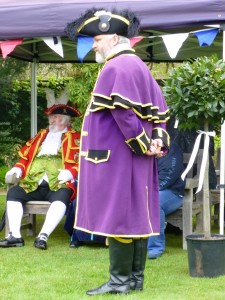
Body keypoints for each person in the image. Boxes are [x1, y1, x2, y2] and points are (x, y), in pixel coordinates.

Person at [65, 8, 170, 295]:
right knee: (135, 214)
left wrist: (143, 144)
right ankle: (134, 280)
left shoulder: (115, 67)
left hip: (119, 158)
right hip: (134, 157)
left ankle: (120, 282)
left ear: (113, 37)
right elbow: (159, 113)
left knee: (119, 217)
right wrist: (155, 142)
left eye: (97, 39)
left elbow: (124, 113)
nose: (95, 45)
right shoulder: (138, 66)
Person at [0, 88, 81, 250]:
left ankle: (43, 236)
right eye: (51, 116)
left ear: (65, 121)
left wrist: (71, 173)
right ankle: (15, 235)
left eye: (56, 117)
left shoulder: (77, 138)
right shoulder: (40, 136)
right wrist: (18, 168)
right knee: (14, 192)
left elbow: (84, 162)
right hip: (33, 182)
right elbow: (26, 157)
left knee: (63, 195)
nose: (51, 120)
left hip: (58, 183)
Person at [147, 140, 185, 259]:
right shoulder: (140, 145)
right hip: (147, 191)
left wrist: (150, 192)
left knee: (154, 202)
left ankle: (155, 247)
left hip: (172, 192)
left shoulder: (170, 146)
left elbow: (169, 175)